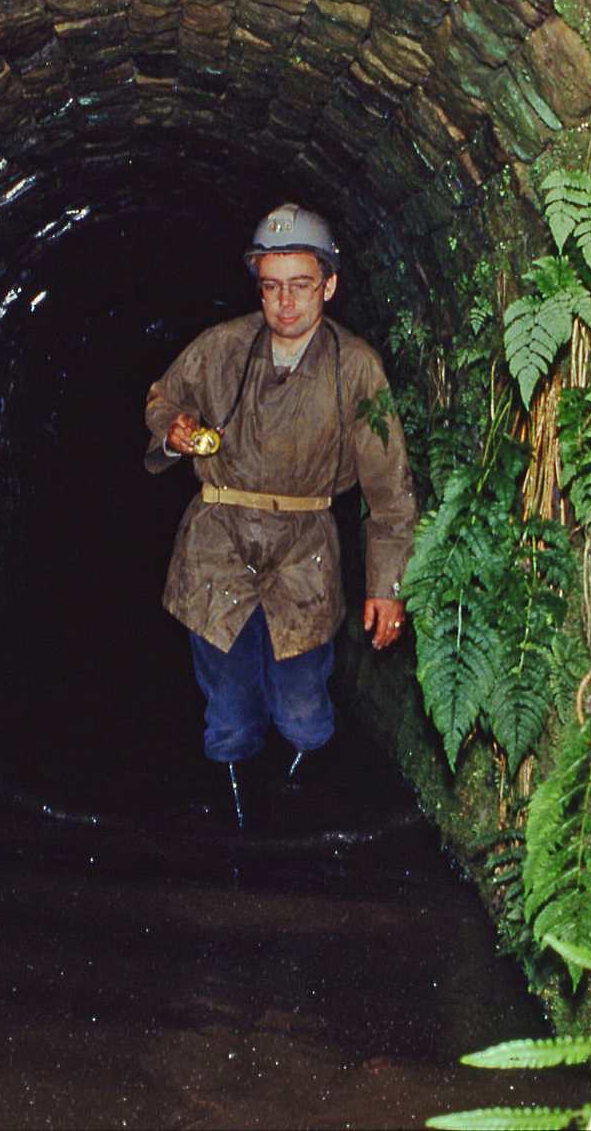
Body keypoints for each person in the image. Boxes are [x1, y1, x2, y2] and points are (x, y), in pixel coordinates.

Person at [142, 202, 418, 829]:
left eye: (300, 286)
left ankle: (295, 804)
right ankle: (239, 834)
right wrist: (175, 429)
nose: (285, 304)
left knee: (303, 712)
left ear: (330, 284)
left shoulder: (358, 369)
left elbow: (390, 493)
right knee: (230, 710)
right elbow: (162, 398)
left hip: (304, 552)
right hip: (218, 546)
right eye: (271, 287)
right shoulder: (221, 348)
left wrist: (387, 589)